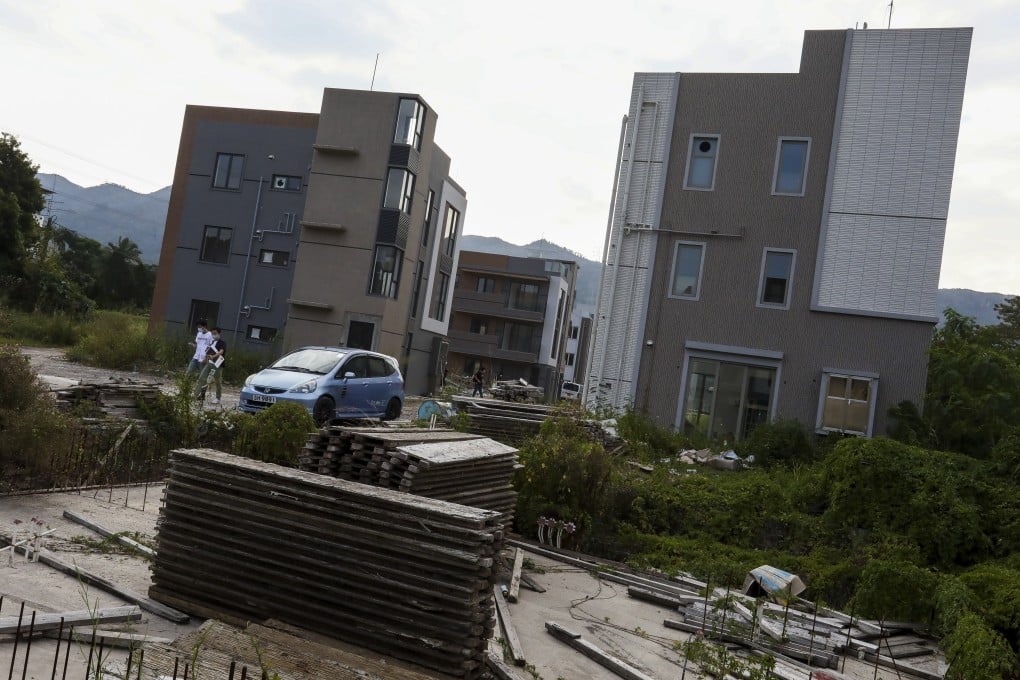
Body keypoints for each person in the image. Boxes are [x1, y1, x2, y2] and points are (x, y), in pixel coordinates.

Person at [194, 327, 227, 403]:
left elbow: (221, 352)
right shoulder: (212, 342)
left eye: (215, 333)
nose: (213, 335)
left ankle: (218, 398)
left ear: (219, 334)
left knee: (217, 381)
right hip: (209, 364)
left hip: (217, 365)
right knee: (202, 378)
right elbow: (208, 352)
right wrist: (206, 359)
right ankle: (196, 395)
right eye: (212, 334)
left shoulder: (222, 343)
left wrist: (214, 356)